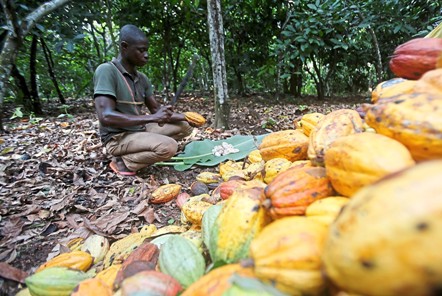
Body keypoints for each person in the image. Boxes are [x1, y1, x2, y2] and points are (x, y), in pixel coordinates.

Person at [93, 24, 194, 176]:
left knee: (185, 126)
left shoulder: (142, 79)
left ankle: (144, 149)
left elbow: (156, 110)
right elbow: (106, 116)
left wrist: (188, 117)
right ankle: (123, 162)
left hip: (138, 130)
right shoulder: (107, 71)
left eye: (146, 50)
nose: (146, 55)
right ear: (124, 47)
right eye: (141, 50)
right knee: (169, 147)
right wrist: (152, 118)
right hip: (118, 137)